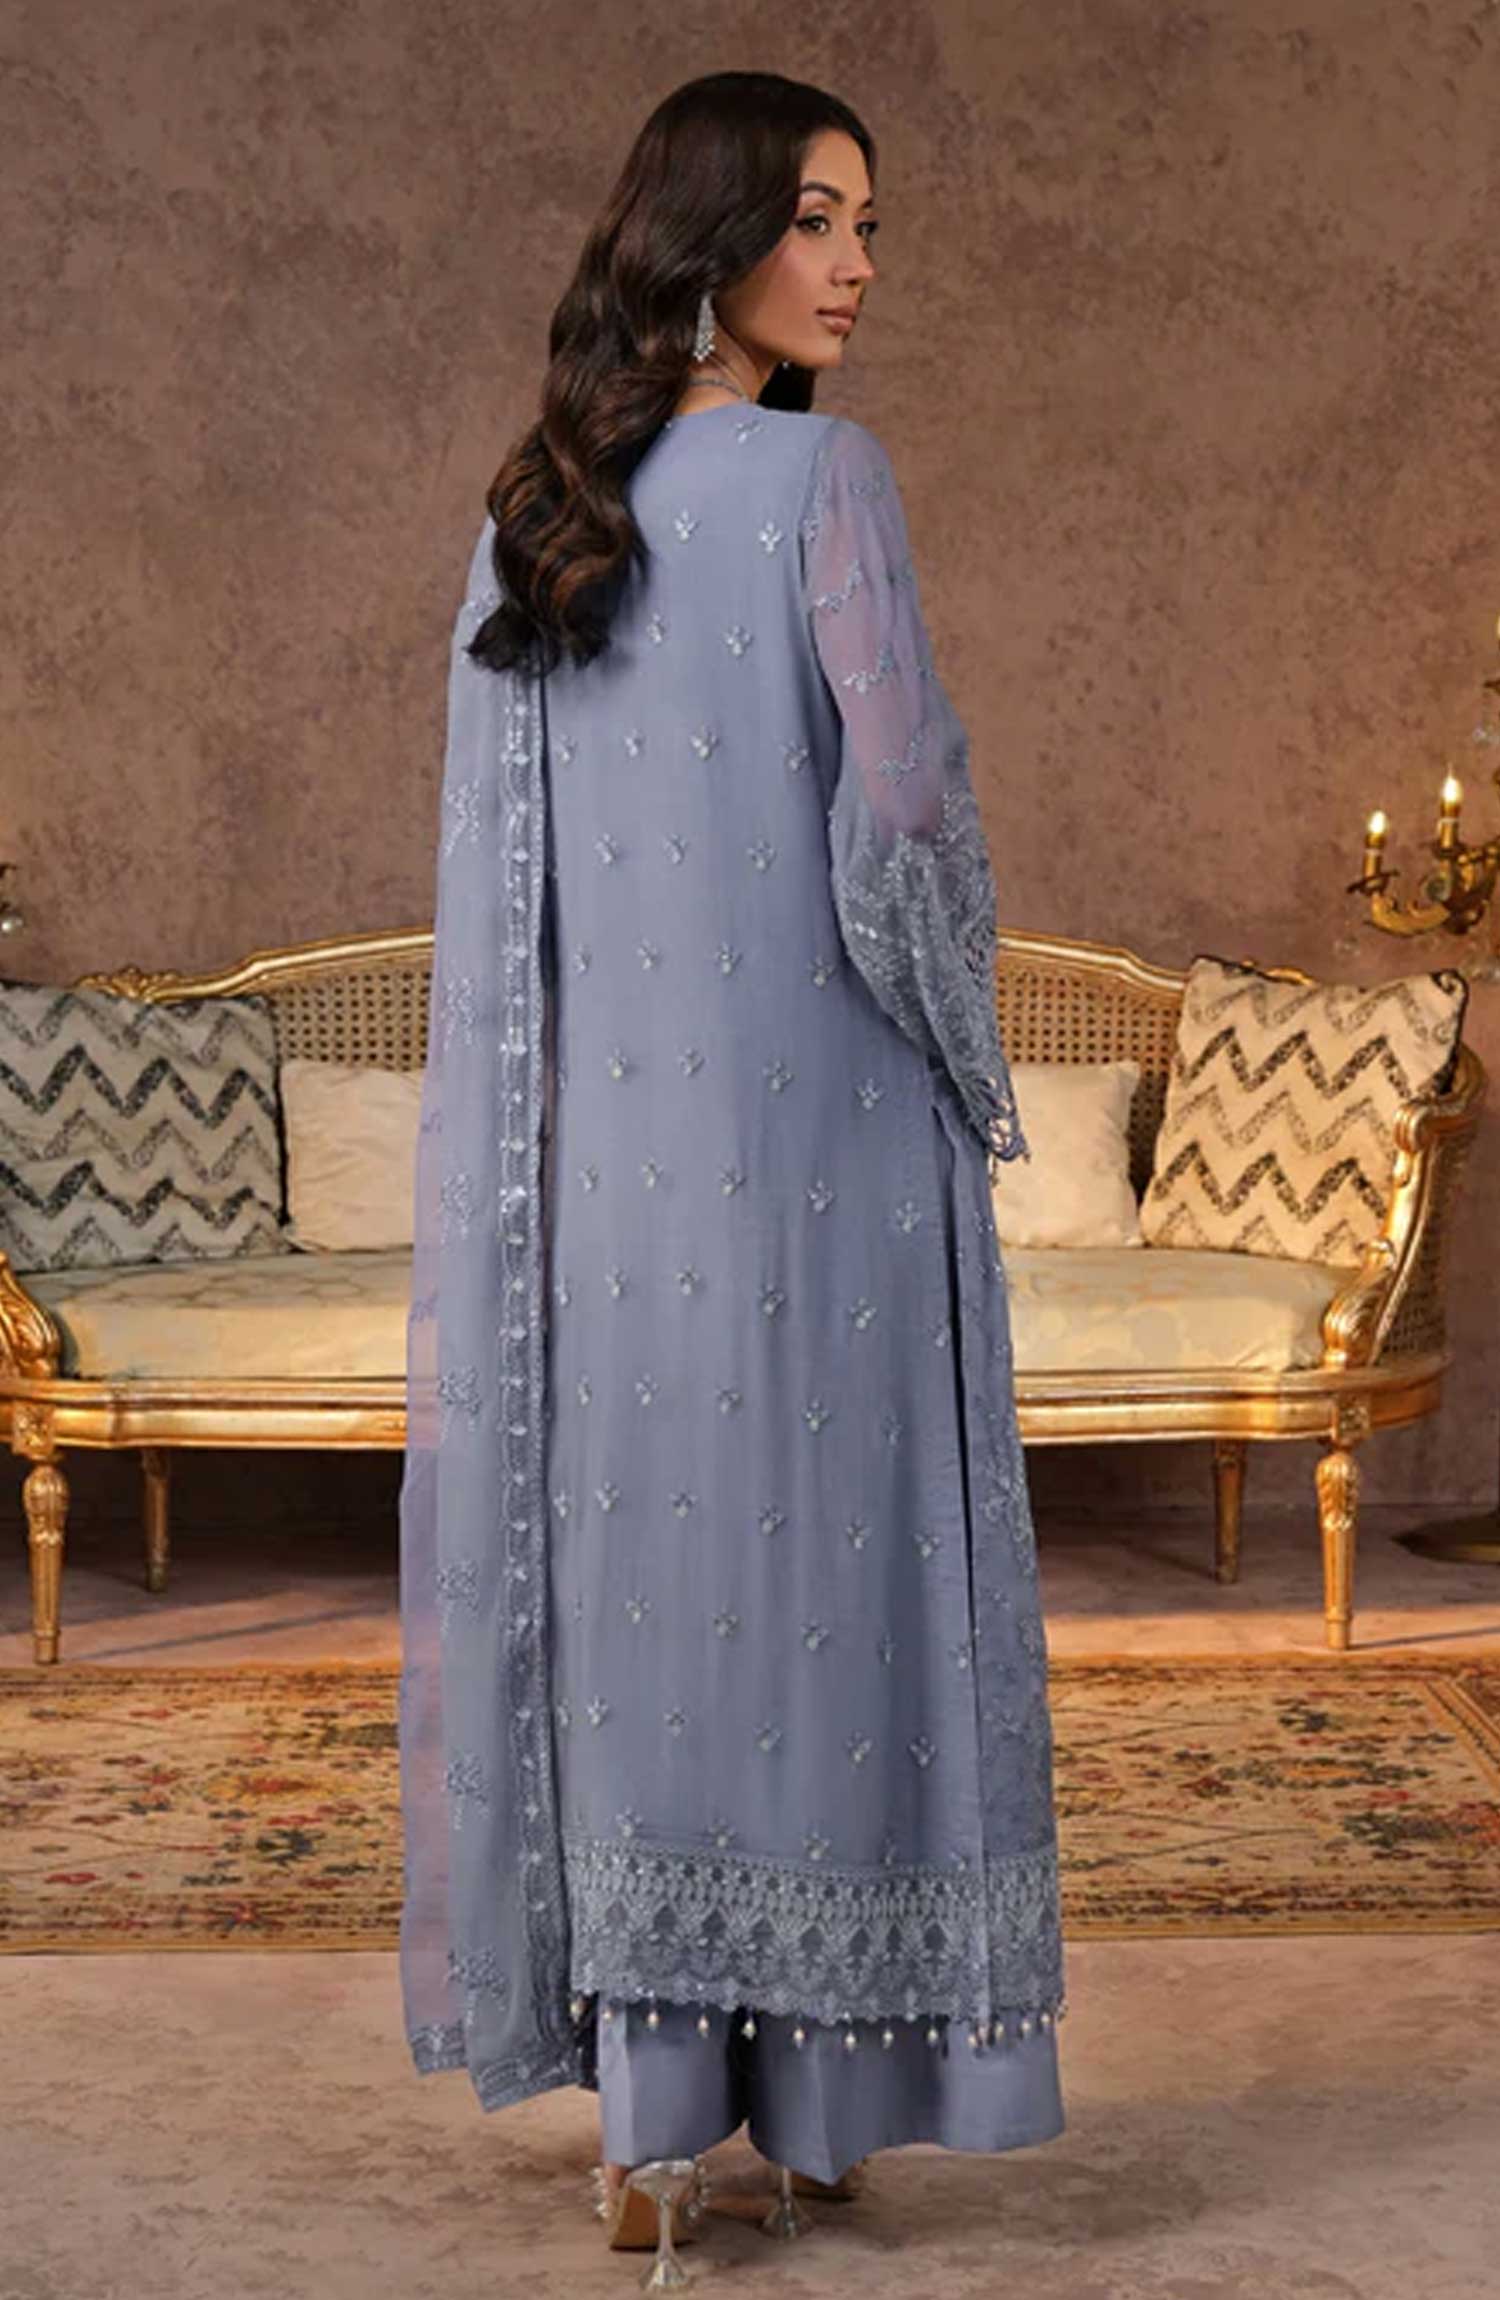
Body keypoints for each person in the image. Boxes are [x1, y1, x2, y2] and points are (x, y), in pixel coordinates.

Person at [398, 68, 1066, 2281]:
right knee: (828, 1609)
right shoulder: (826, 482)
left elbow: (507, 912)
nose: (857, 264)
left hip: (614, 1189)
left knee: (652, 1615)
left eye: (869, 222)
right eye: (816, 217)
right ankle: (830, 2105)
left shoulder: (533, 520)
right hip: (830, 1153)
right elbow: (906, 814)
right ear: (709, 240)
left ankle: (657, 2123)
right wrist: (970, 1052)